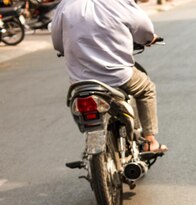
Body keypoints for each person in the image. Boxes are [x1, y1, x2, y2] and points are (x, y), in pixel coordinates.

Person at [51, 0, 167, 153]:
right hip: (118, 75)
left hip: (80, 82)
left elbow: (57, 42)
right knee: (146, 89)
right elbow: (143, 29)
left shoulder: (66, 5)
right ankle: (150, 141)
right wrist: (149, 39)